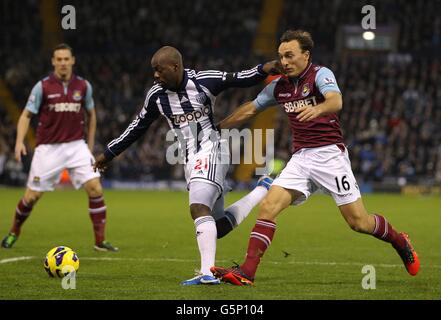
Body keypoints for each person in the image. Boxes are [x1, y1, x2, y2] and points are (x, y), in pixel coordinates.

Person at [210, 30, 420, 285]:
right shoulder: (279, 86)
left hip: (330, 155)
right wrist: (218, 128)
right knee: (268, 207)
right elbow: (251, 108)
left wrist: (318, 108)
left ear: (306, 55)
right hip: (300, 159)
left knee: (358, 222)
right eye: (280, 56)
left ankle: (400, 241)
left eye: (289, 55)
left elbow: (336, 101)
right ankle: (247, 272)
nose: (284, 62)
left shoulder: (321, 74)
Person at [94, 46, 279, 285]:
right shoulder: (156, 96)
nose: (156, 76)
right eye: (154, 71)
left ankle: (206, 274)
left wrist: (265, 68)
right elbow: (136, 128)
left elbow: (240, 78)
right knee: (218, 227)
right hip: (190, 159)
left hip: (212, 150)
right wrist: (108, 153)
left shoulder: (204, 81)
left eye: (159, 70)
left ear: (175, 66)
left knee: (198, 208)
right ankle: (262, 189)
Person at [1, 44, 118, 252]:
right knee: (31, 197)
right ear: (53, 62)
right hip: (48, 148)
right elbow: (26, 115)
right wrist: (19, 142)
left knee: (95, 188)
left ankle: (100, 241)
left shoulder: (83, 86)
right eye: (59, 59)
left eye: (66, 59)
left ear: (72, 60)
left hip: (76, 146)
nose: (63, 63)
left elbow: (92, 115)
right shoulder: (43, 86)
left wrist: (88, 147)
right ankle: (13, 232)